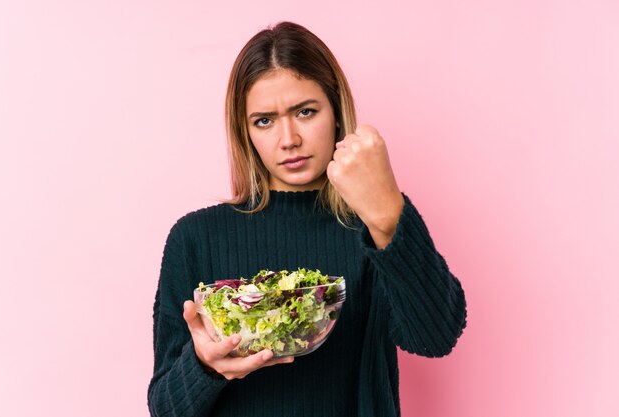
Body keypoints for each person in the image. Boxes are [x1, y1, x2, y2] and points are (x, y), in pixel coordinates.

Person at [148, 21, 467, 417]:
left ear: (335, 111)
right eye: (264, 120)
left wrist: (388, 213)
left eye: (305, 112)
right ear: (244, 131)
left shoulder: (372, 224)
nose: (288, 139)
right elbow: (164, 407)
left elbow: (436, 337)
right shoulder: (194, 237)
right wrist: (204, 366)